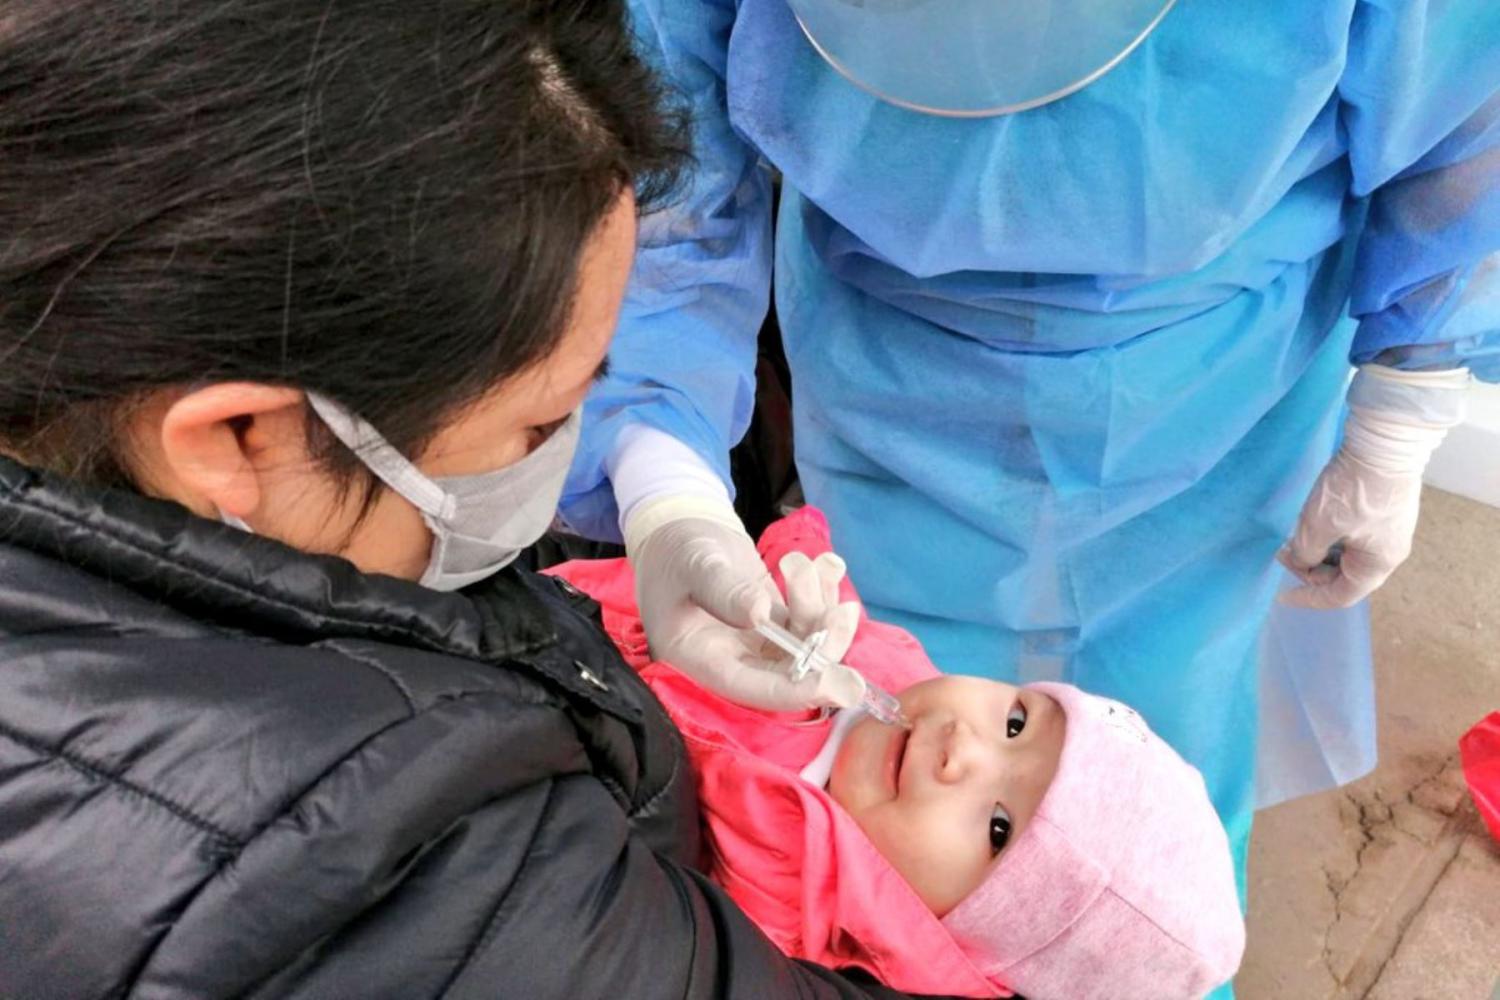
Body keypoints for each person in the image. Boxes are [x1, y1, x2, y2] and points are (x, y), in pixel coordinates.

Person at [0, 4, 933, 997]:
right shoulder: (403, 881)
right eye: (541, 428)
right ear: (240, 437)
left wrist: (666, 498)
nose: (567, 457)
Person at [558, 1, 1500, 968]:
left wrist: (1406, 397)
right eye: (1010, 721)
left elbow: (1464, 105)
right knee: (885, 667)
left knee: (1151, 774)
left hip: (1221, 392)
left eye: (1014, 732)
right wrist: (666, 485)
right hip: (892, 374)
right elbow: (670, 169)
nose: (962, 748)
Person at [552, 507, 1245, 999]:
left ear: (949, 934)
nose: (961, 749)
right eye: (1015, 722)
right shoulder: (886, 665)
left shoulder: (785, 916)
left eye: (999, 829)